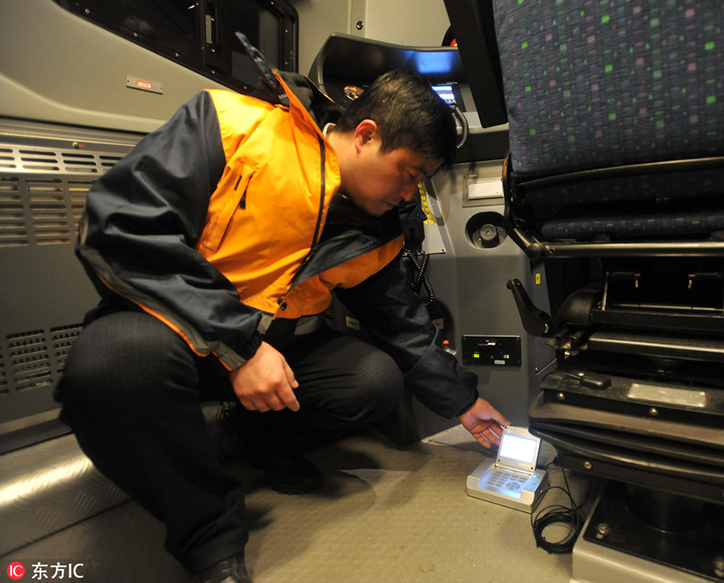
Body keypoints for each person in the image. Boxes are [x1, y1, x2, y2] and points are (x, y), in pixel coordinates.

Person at [54, 66, 510, 583]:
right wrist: (242, 345)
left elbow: (402, 325)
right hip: (176, 330)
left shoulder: (378, 226)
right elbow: (121, 229)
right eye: (408, 173)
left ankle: (257, 439)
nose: (409, 194)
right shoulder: (233, 126)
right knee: (109, 370)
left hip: (281, 352)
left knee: (373, 380)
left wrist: (464, 403)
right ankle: (209, 539)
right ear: (365, 135)